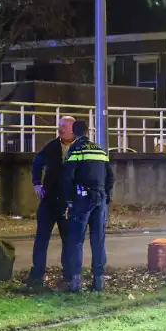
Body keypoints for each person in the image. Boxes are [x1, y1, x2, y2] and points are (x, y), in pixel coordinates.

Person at [59, 119, 114, 293]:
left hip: (81, 200)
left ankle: (76, 281)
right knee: (98, 240)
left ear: (74, 133)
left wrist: (68, 200)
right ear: (88, 131)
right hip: (100, 199)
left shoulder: (74, 150)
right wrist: (104, 196)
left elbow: (67, 178)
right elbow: (110, 178)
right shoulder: (100, 150)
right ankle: (98, 281)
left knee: (76, 240)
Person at [26, 116, 76, 289]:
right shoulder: (51, 146)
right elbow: (37, 163)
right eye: (59, 125)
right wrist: (36, 183)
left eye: (64, 126)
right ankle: (37, 274)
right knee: (41, 238)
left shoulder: (79, 147)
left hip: (67, 201)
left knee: (68, 239)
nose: (60, 129)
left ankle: (68, 275)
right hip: (48, 200)